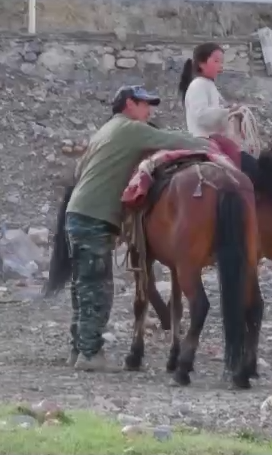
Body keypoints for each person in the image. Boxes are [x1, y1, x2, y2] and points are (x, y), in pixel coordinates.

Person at [65, 85, 213, 372]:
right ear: (129, 104)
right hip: (96, 217)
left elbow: (78, 171)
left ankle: (78, 349)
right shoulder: (130, 129)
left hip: (77, 213)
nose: (149, 111)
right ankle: (90, 355)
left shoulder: (105, 131)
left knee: (82, 285)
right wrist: (208, 145)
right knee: (97, 287)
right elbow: (170, 140)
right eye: (145, 105)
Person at [178, 42, 259, 179]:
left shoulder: (209, 85)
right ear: (201, 64)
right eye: (216, 61)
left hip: (214, 140)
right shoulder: (198, 85)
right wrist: (229, 112)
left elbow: (218, 111)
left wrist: (233, 112)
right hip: (205, 141)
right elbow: (201, 116)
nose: (220, 64)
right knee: (251, 168)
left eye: (221, 61)